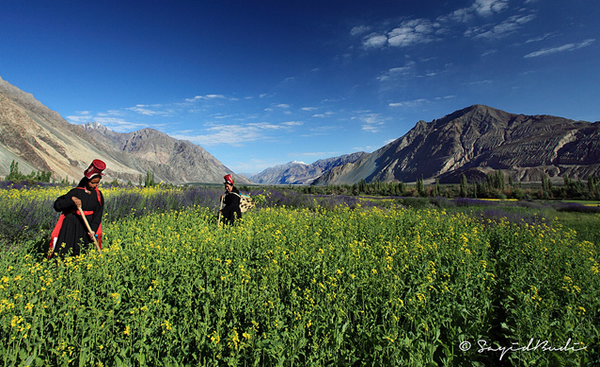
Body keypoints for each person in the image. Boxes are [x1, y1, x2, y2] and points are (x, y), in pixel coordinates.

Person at [49, 159, 106, 258]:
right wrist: (71, 200)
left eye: (97, 183)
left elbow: (98, 214)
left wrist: (92, 230)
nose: (95, 185)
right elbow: (57, 205)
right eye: (92, 183)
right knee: (65, 252)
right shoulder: (75, 192)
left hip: (87, 227)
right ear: (87, 181)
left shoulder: (98, 196)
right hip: (71, 225)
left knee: (82, 253)